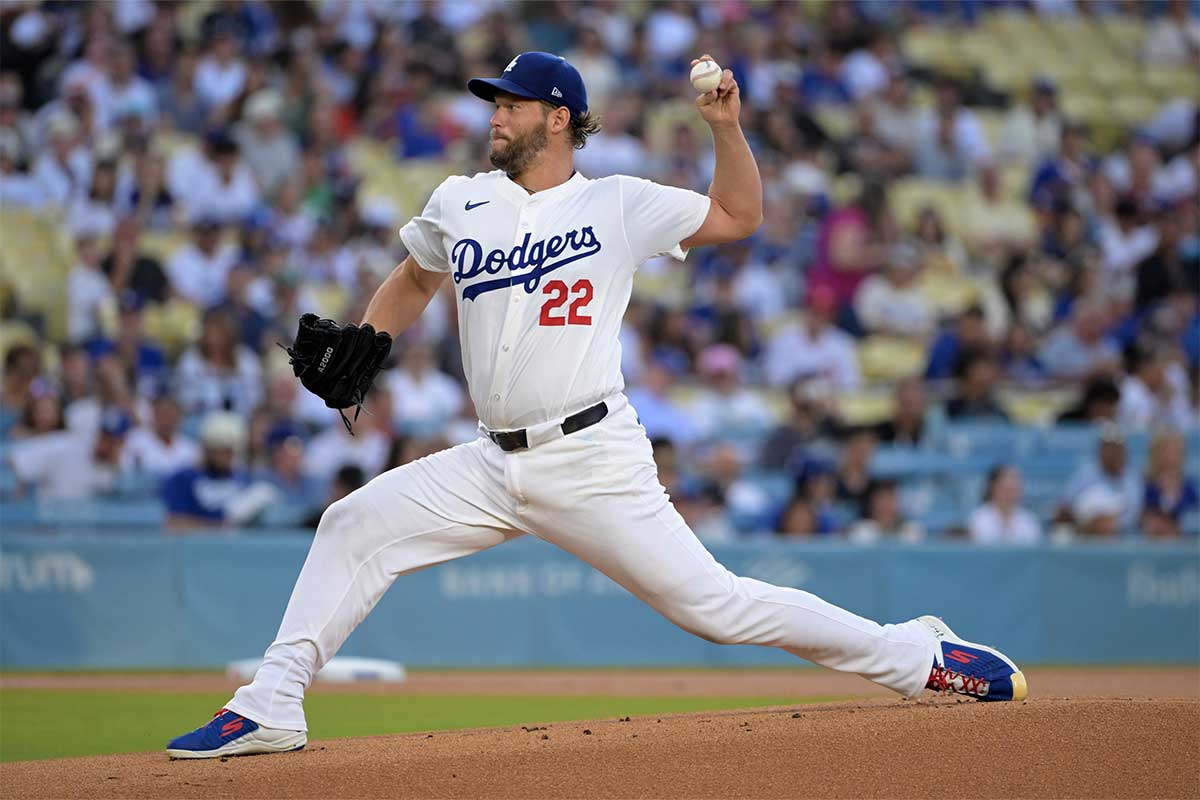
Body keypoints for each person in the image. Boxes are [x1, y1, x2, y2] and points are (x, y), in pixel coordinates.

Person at [167, 51, 1026, 759]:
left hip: (590, 456)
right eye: (492, 104)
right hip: (488, 460)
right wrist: (372, 337)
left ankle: (918, 656)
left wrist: (726, 129)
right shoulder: (461, 199)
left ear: (557, 118)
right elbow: (419, 272)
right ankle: (272, 701)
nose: (494, 116)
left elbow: (739, 213)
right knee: (351, 525)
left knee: (717, 610)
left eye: (510, 104)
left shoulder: (616, 203)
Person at [1141, 429, 1199, 538]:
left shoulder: (1188, 485)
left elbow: (1193, 512)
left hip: (1182, 538)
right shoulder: (1148, 484)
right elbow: (1144, 514)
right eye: (1166, 451)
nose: (1171, 456)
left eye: (1175, 451)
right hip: (1155, 538)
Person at [967, 466, 1043, 545]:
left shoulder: (1029, 521)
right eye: (1006, 487)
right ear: (993, 487)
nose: (1010, 493)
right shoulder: (978, 518)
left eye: (1014, 487)